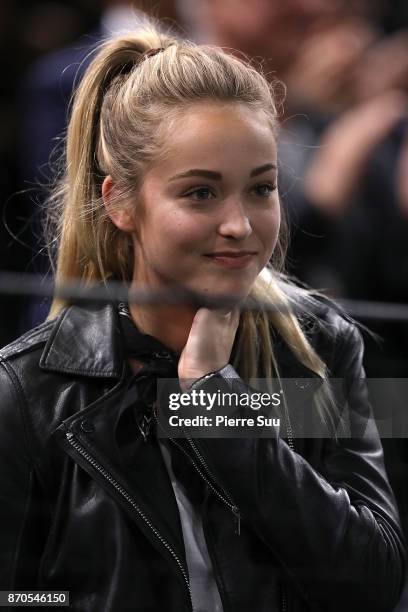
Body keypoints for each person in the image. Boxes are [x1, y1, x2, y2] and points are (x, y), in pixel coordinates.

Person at [0, 22, 405, 612]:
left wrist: (218, 405)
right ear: (119, 202)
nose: (239, 225)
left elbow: (371, 585)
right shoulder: (27, 390)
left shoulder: (319, 345)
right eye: (200, 193)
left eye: (261, 189)